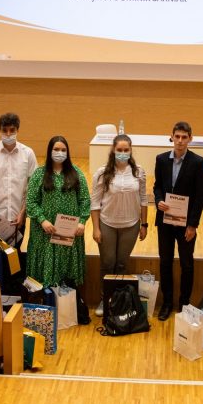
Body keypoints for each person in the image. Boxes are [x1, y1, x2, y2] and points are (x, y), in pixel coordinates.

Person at [153, 121, 203, 321]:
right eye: (177, 136)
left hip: (186, 225)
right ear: (172, 137)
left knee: (187, 264)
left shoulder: (198, 162)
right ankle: (167, 303)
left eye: (184, 137)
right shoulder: (161, 159)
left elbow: (200, 196)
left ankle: (184, 303)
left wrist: (193, 224)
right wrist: (159, 200)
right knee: (165, 262)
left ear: (190, 139)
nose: (180, 140)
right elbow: (157, 186)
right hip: (165, 221)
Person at [90, 134, 148, 317]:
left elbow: (144, 199)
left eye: (126, 150)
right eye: (119, 150)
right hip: (107, 223)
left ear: (130, 151)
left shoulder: (139, 172)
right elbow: (95, 203)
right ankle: (105, 298)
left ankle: (118, 301)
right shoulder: (102, 173)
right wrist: (96, 228)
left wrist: (144, 224)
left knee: (122, 264)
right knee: (108, 264)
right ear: (113, 151)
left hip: (131, 225)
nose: (123, 153)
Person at [26, 136, 91, 298]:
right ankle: (45, 301)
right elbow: (31, 201)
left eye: (63, 150)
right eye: (56, 149)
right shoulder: (39, 174)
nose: (59, 153)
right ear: (50, 151)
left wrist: (82, 222)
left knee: (66, 268)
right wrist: (42, 220)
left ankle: (67, 302)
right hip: (44, 231)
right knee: (44, 267)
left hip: (68, 231)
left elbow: (85, 200)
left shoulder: (77, 173)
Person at [0, 112, 38, 286]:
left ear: (17, 130)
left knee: (14, 258)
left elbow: (32, 187)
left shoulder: (28, 154)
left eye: (12, 130)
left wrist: (23, 212)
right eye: (4, 130)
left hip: (17, 218)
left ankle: (12, 294)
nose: (8, 134)